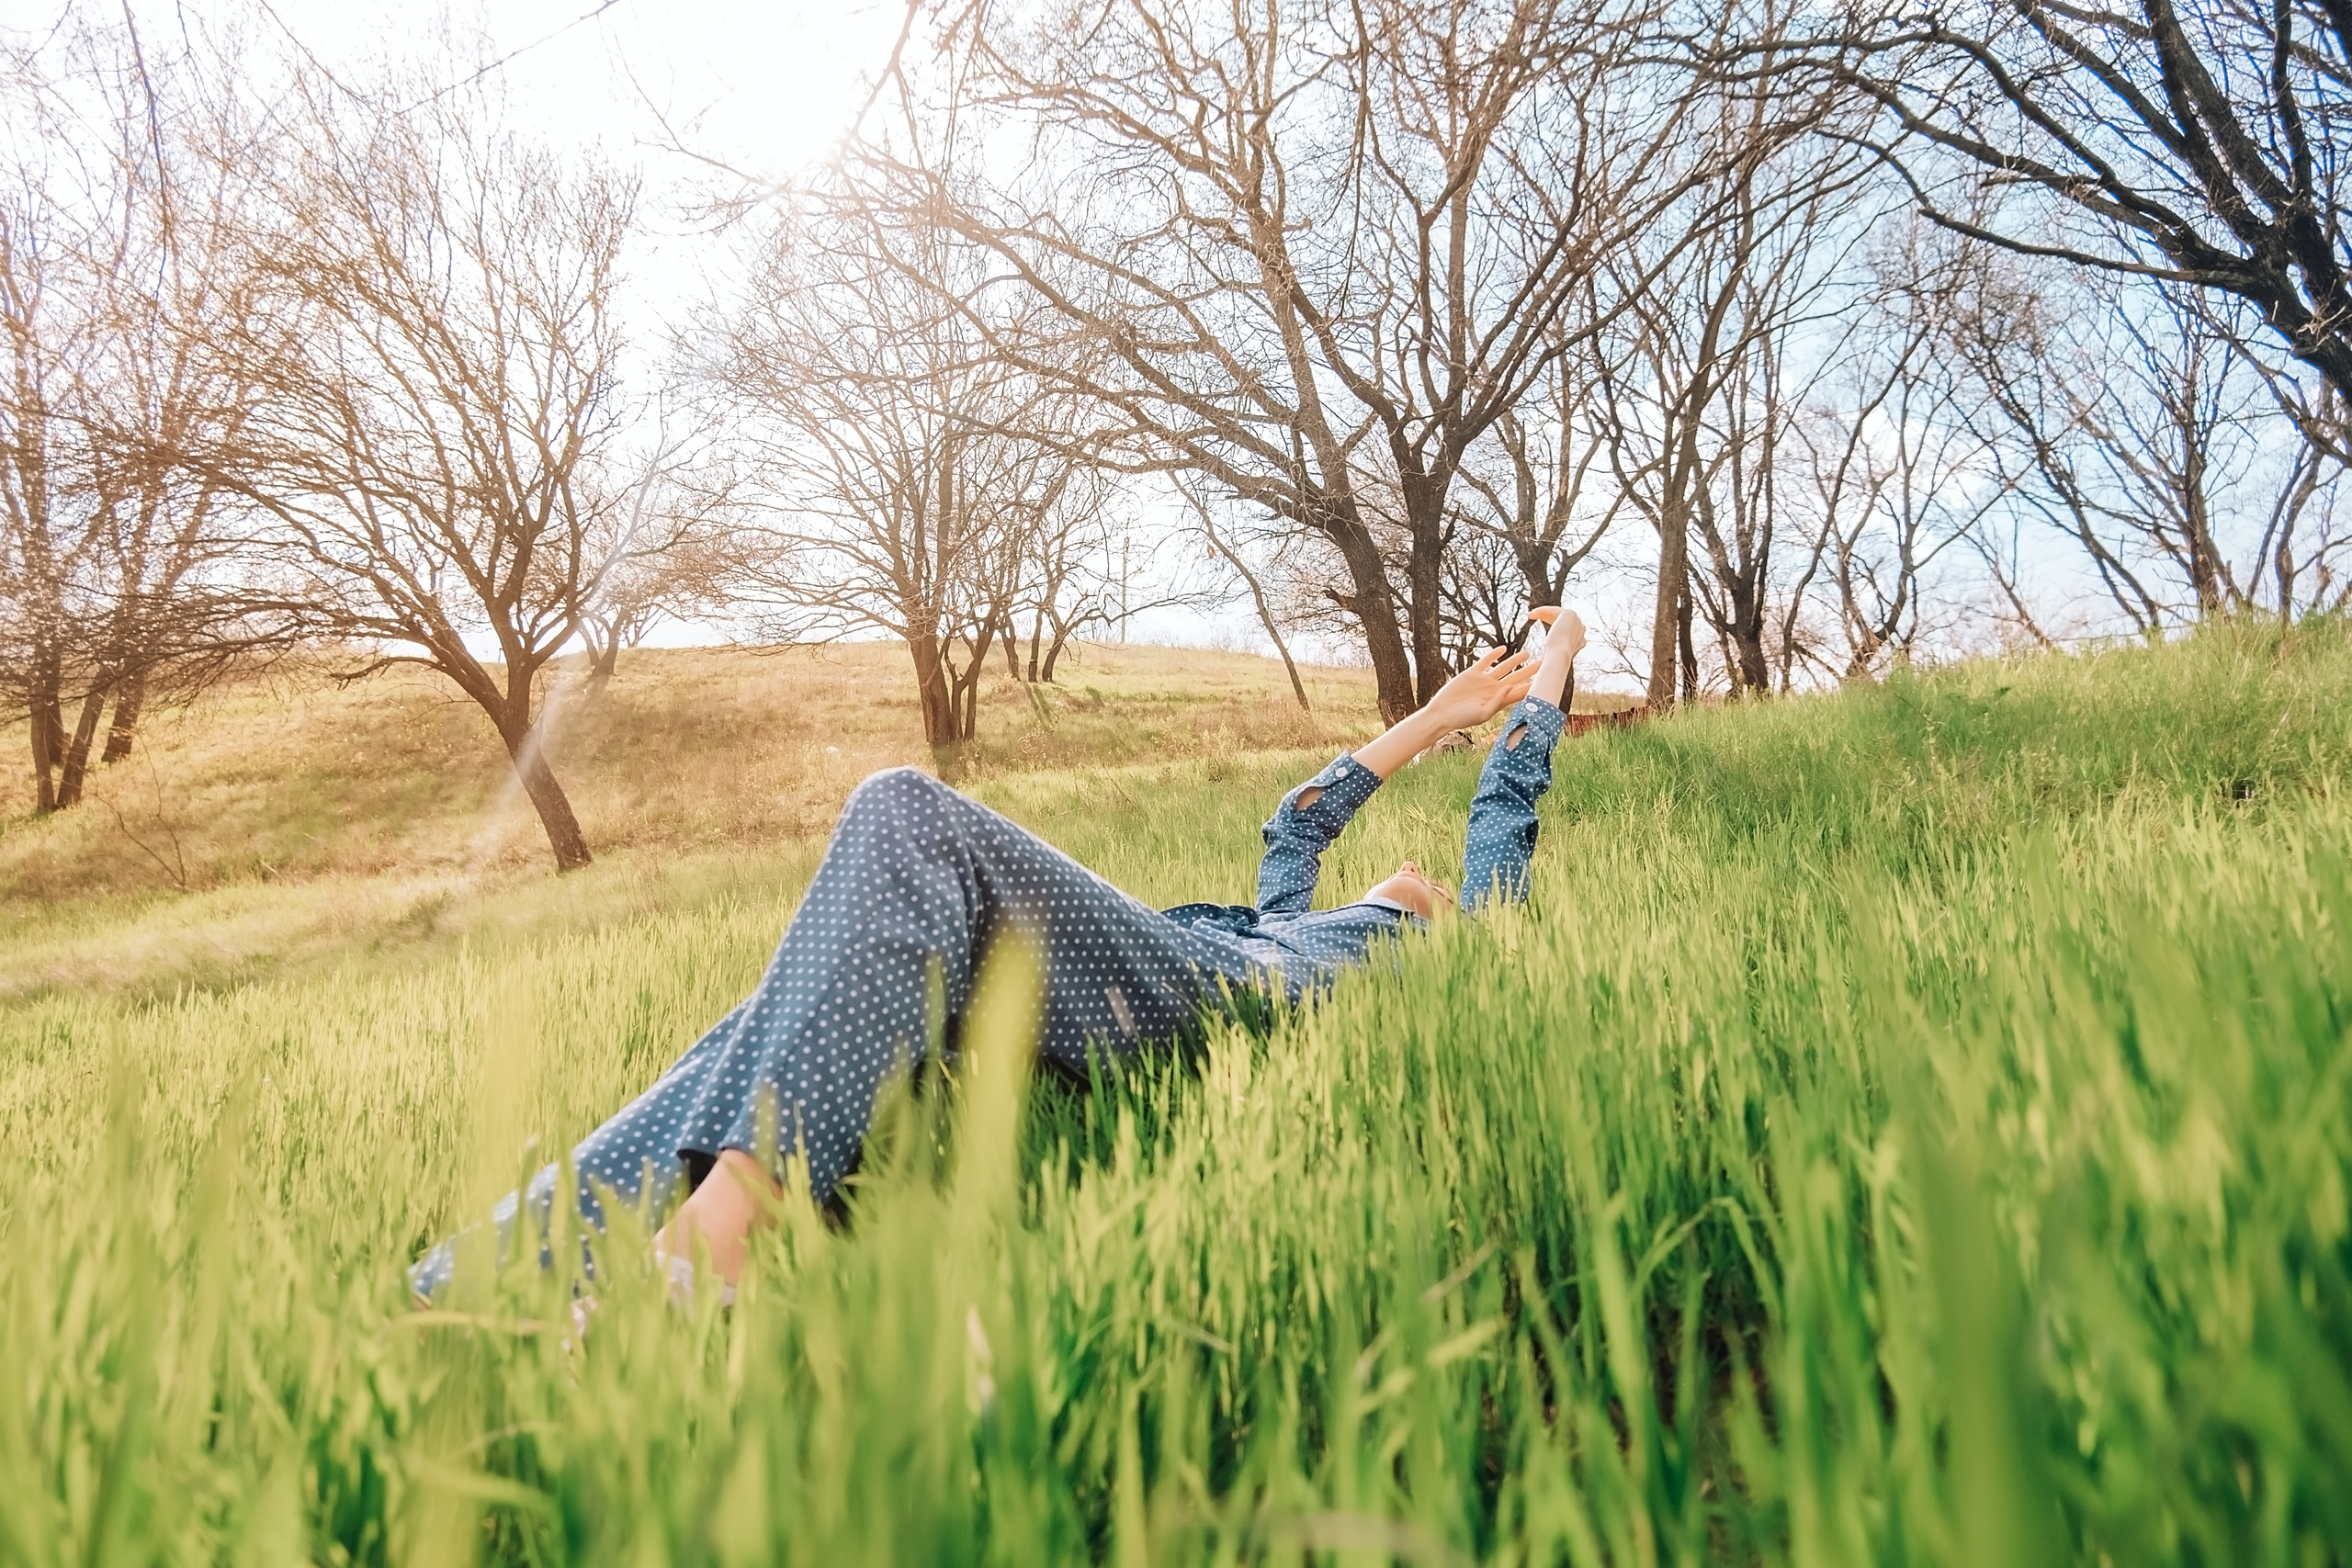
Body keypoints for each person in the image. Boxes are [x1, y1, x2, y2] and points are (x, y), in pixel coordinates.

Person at [410, 610, 1588, 1304]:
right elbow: (1300, 824)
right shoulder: (1284, 908)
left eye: (1429, 888)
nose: (1420, 876)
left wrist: (1558, 662)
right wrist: (1438, 714)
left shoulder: (1421, 955)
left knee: (907, 815)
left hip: (1225, 1008)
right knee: (774, 1012)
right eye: (1414, 878)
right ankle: (471, 1293)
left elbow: (1507, 807)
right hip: (1163, 960)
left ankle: (704, 1261)